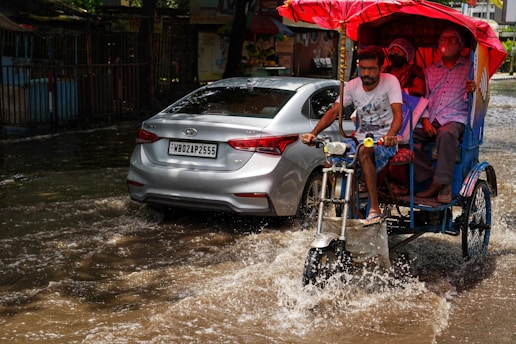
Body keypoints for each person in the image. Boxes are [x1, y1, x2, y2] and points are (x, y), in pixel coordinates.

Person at [302, 46, 403, 225]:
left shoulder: (390, 82)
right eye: (363, 68)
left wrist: (391, 135)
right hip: (360, 138)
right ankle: (351, 207)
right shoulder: (352, 85)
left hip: (382, 141)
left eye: (371, 69)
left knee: (365, 151)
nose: (366, 73)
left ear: (380, 68)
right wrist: (313, 133)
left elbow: (398, 115)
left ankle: (375, 209)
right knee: (331, 158)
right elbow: (334, 112)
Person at [414, 27, 477, 203]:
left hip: (456, 118)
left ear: (461, 45)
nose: (446, 42)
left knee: (447, 132)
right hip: (432, 117)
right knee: (404, 136)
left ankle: (444, 184)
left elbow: (481, 97)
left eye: (452, 39)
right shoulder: (430, 70)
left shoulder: (470, 69)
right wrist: (425, 120)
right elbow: (424, 99)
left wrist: (474, 89)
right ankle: (430, 177)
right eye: (443, 39)